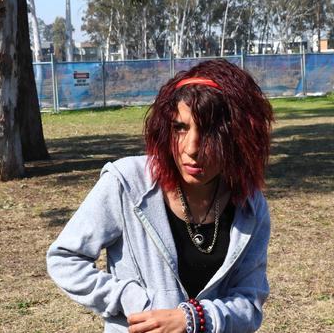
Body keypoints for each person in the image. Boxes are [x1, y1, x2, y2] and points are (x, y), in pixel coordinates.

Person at [47, 59, 274, 333]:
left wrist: (195, 319)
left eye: (211, 132)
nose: (192, 148)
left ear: (238, 136)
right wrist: (131, 299)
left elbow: (249, 304)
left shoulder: (249, 206)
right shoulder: (127, 183)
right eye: (180, 127)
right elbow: (64, 258)